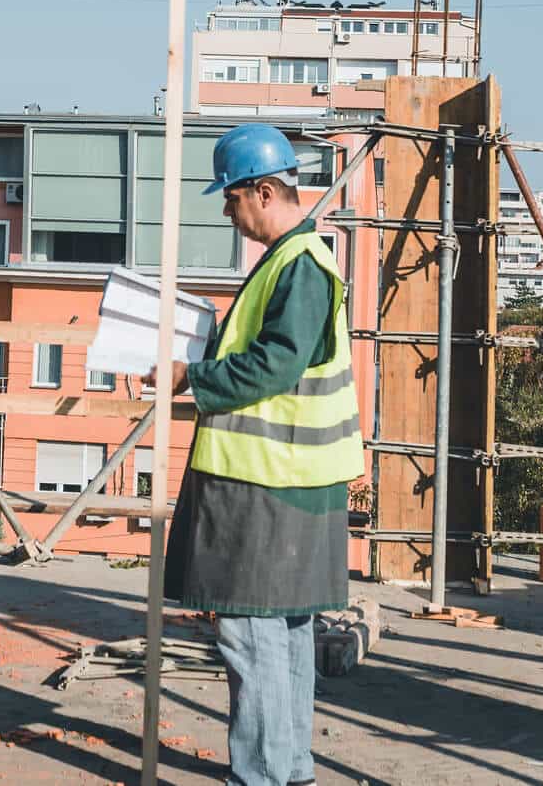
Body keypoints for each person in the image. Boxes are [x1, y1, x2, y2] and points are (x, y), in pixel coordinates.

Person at [152, 123, 362, 786]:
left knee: (254, 637)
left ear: (264, 191)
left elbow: (274, 365)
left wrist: (192, 377)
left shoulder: (298, 266)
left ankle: (266, 774)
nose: (226, 210)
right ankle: (287, 768)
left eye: (231, 196)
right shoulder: (292, 260)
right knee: (285, 633)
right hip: (290, 479)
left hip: (269, 482)